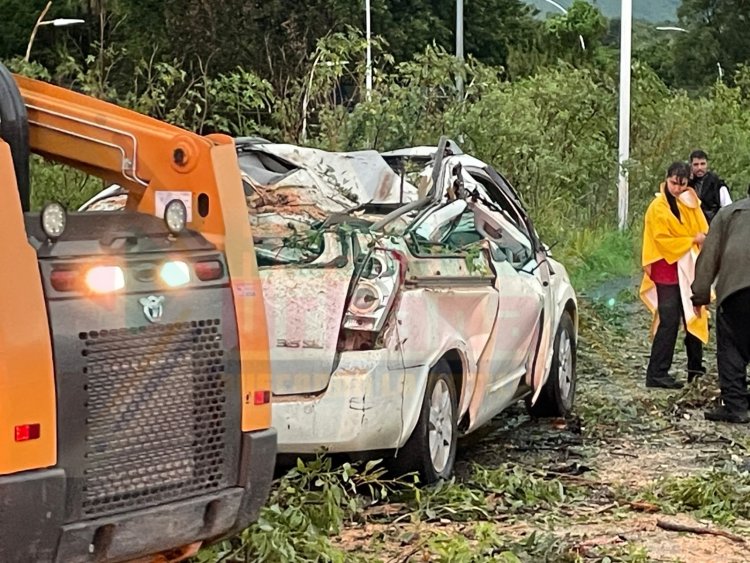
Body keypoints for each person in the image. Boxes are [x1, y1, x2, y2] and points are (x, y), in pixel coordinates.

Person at [641, 161, 709, 389]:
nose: (677, 189)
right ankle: (657, 373)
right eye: (673, 183)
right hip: (666, 268)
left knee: (695, 314)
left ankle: (695, 369)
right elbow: (661, 239)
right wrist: (690, 240)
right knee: (669, 320)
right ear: (666, 179)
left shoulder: (691, 202)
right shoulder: (657, 207)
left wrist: (697, 240)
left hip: (688, 268)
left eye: (682, 184)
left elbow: (702, 229)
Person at [691, 186, 750, 423]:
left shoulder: (728, 214)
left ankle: (736, 406)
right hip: (737, 289)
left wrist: (700, 295)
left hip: (736, 292)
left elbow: (709, 258)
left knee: (731, 348)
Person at [689, 149, 732, 224]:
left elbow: (728, 209)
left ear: (707, 164)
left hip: (714, 227)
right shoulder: (687, 184)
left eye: (702, 164)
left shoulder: (718, 185)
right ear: (691, 165)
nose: (699, 168)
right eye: (696, 164)